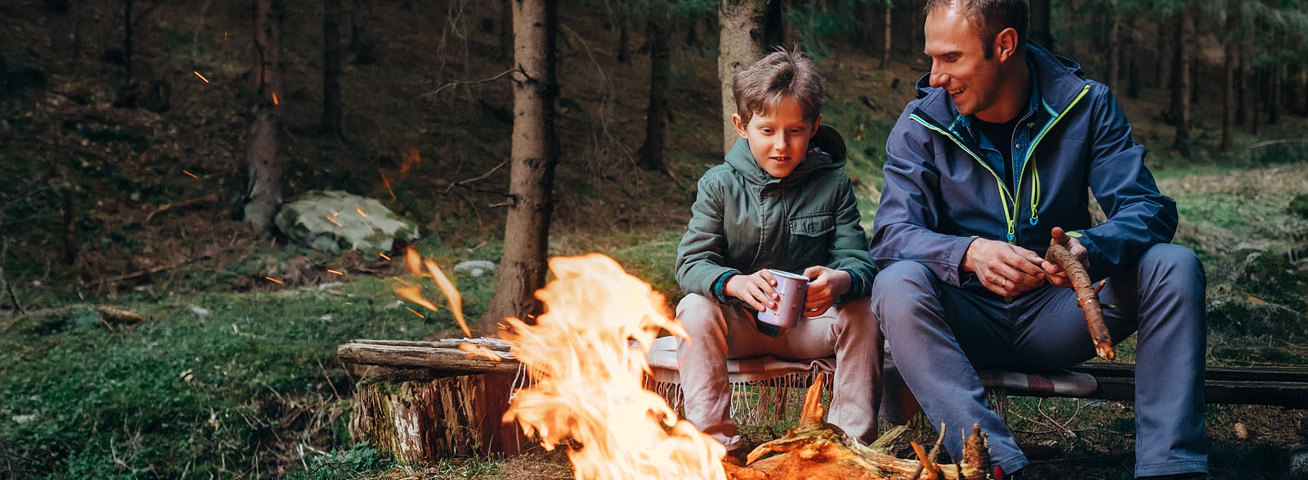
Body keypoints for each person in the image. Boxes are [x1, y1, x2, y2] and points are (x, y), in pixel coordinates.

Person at [870, 1, 1207, 479]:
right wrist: (967, 253)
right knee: (896, 284)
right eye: (932, 58)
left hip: (1060, 313)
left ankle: (1171, 467)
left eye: (951, 58)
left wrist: (1089, 245)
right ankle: (999, 466)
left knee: (1174, 266)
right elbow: (890, 235)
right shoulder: (921, 123)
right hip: (964, 320)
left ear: (1004, 46)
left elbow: (1148, 209)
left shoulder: (1086, 105)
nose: (935, 76)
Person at [673, 49, 881, 456]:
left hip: (809, 326)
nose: (781, 146)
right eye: (767, 131)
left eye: (795, 131)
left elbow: (860, 263)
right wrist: (733, 283)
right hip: (740, 327)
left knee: (864, 308)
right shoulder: (718, 185)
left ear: (815, 127)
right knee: (694, 308)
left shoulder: (832, 185)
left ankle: (848, 446)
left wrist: (842, 280)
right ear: (742, 126)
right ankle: (715, 447)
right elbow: (690, 263)